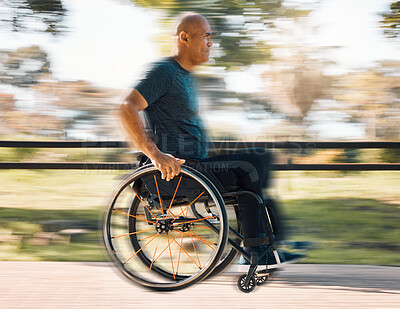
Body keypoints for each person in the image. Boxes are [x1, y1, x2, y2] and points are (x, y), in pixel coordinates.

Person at [120, 13, 303, 270]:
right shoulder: (164, 71)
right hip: (179, 172)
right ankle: (257, 250)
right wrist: (156, 155)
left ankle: (270, 245)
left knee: (260, 158)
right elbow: (127, 107)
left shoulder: (184, 76)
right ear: (184, 37)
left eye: (210, 37)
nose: (210, 43)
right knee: (249, 169)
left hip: (197, 165)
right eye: (205, 36)